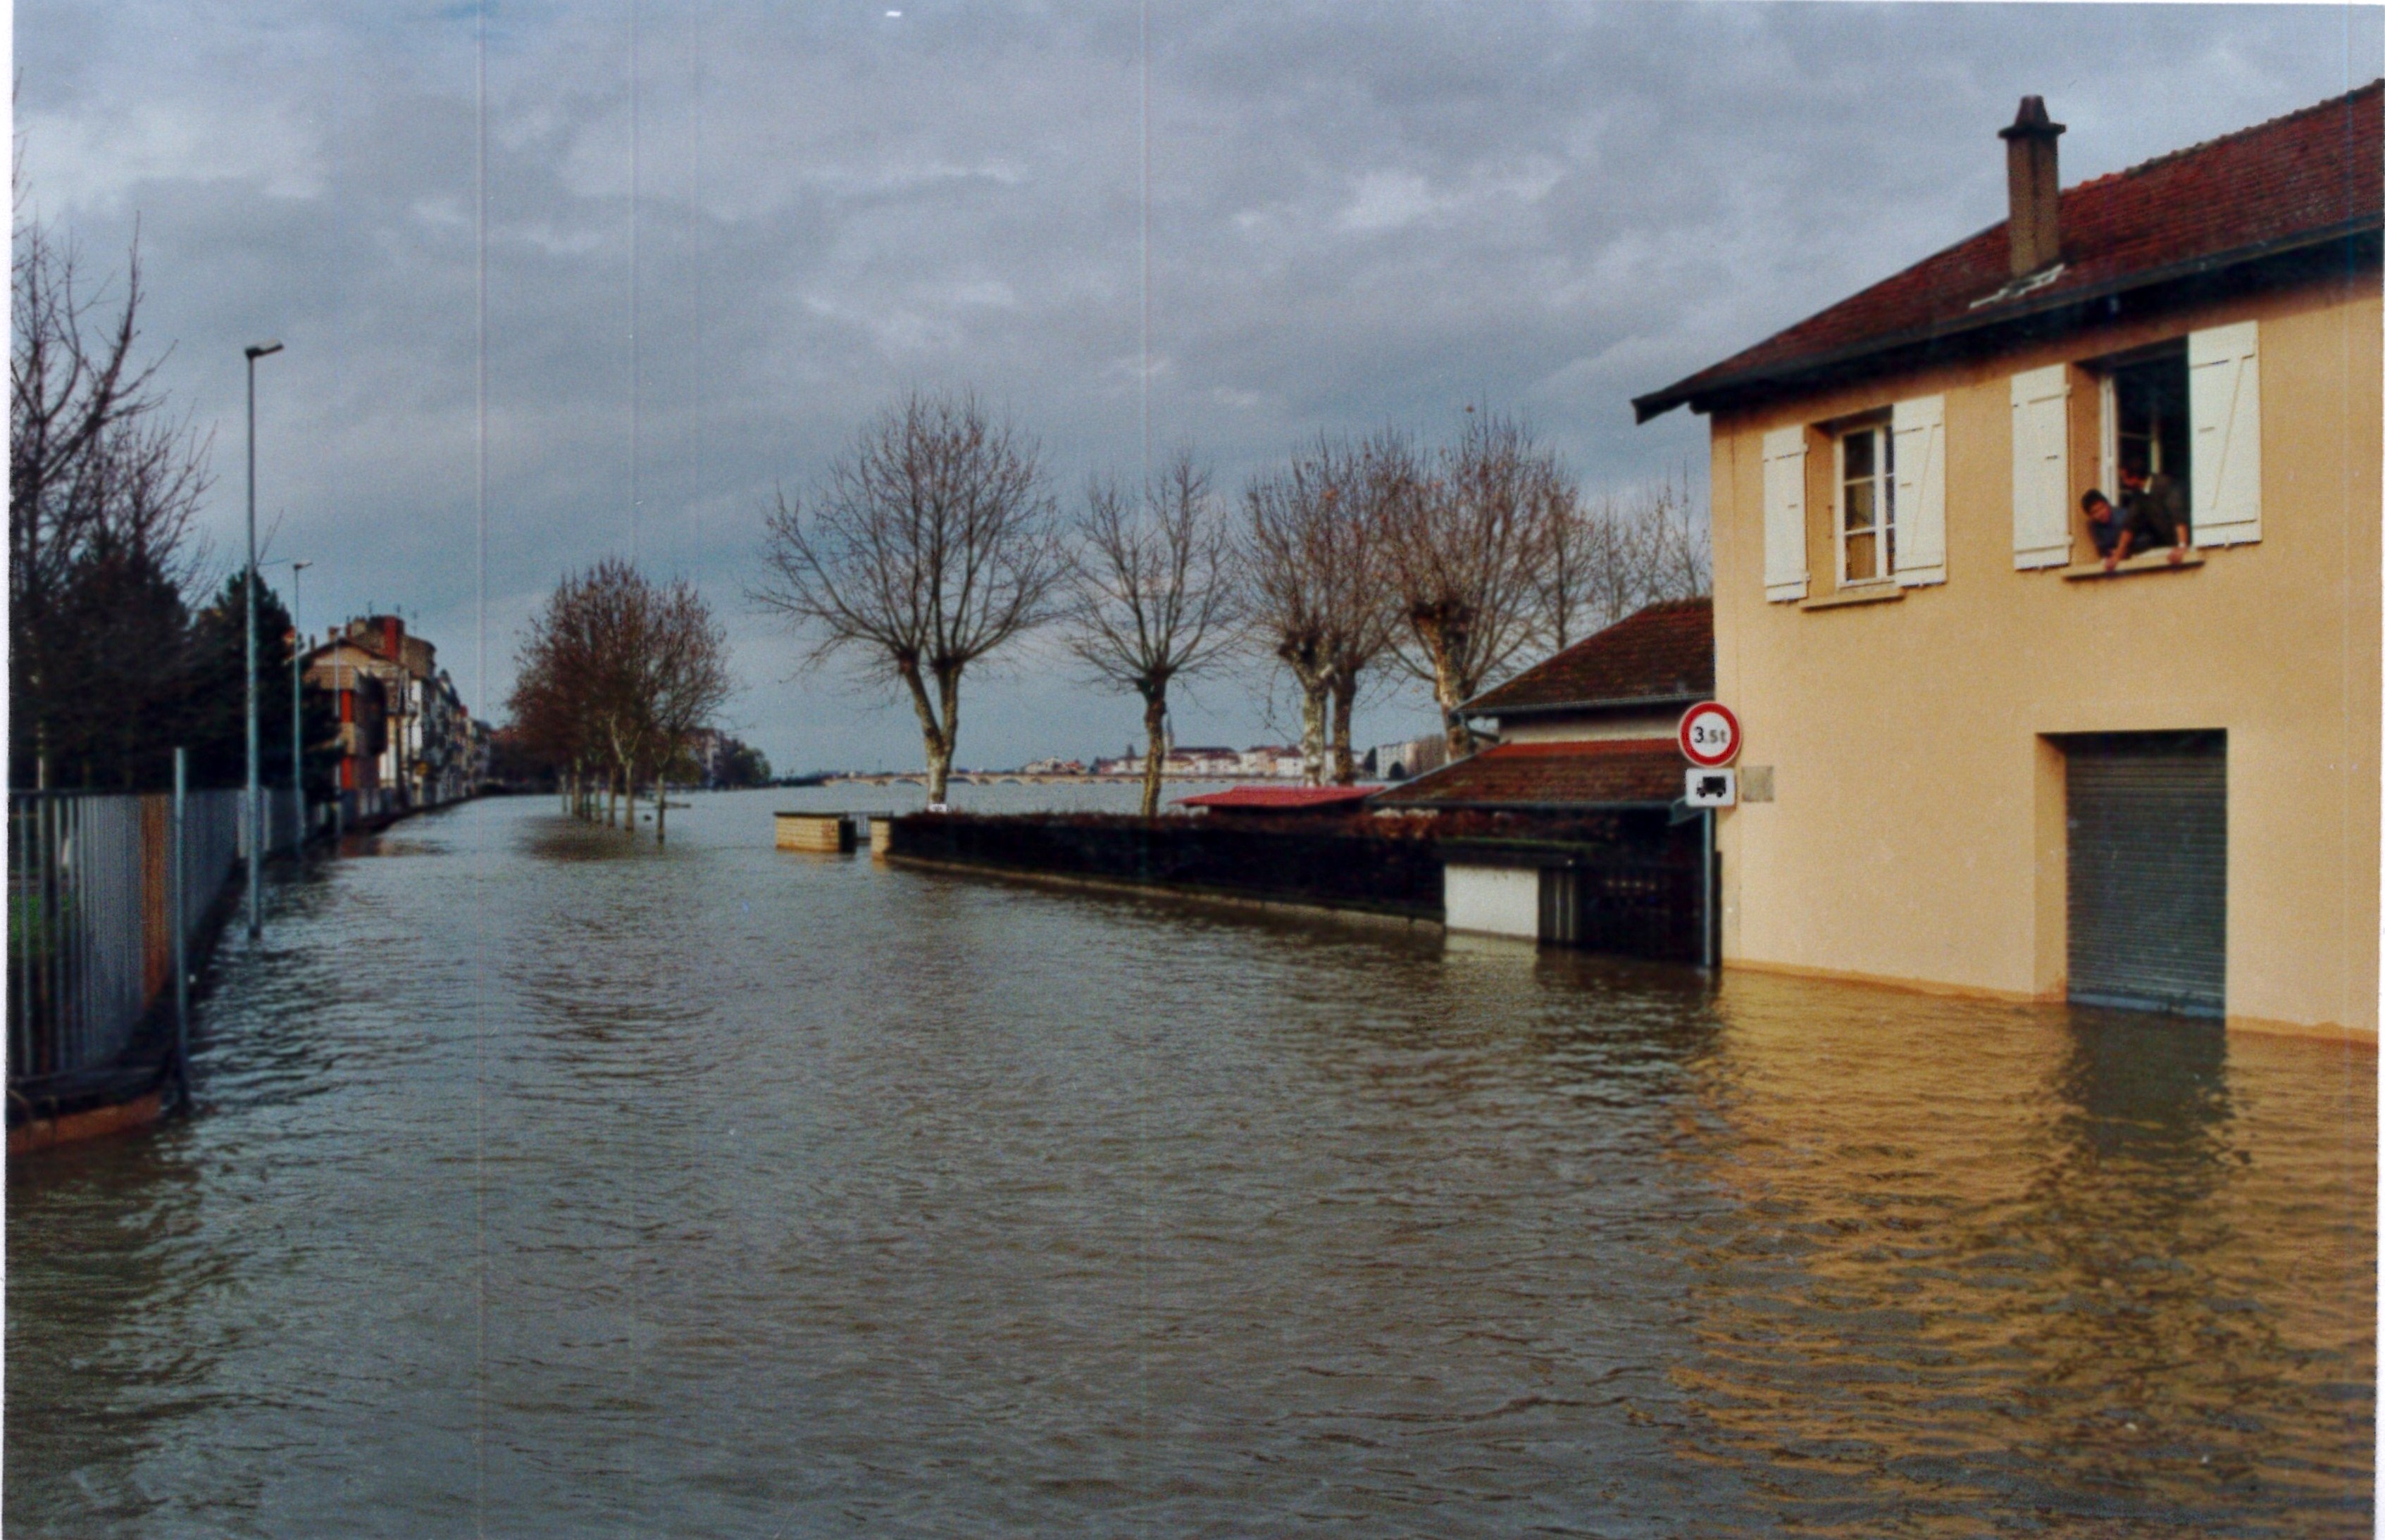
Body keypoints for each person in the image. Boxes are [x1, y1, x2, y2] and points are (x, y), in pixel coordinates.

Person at [2110, 461, 2190, 570]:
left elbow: (2178, 515)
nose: (2123, 483)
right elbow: (2130, 525)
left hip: (2189, 544)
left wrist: (2182, 545)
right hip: (2167, 547)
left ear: (2134, 477)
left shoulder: (2165, 485)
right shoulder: (2139, 494)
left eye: (2124, 479)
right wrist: (2118, 555)